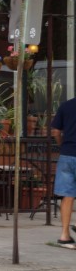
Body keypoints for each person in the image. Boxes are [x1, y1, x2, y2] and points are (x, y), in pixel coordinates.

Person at [50, 95, 76, 247]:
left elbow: (55, 132)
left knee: (67, 195)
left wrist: (62, 145)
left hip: (67, 154)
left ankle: (64, 235)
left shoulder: (66, 106)